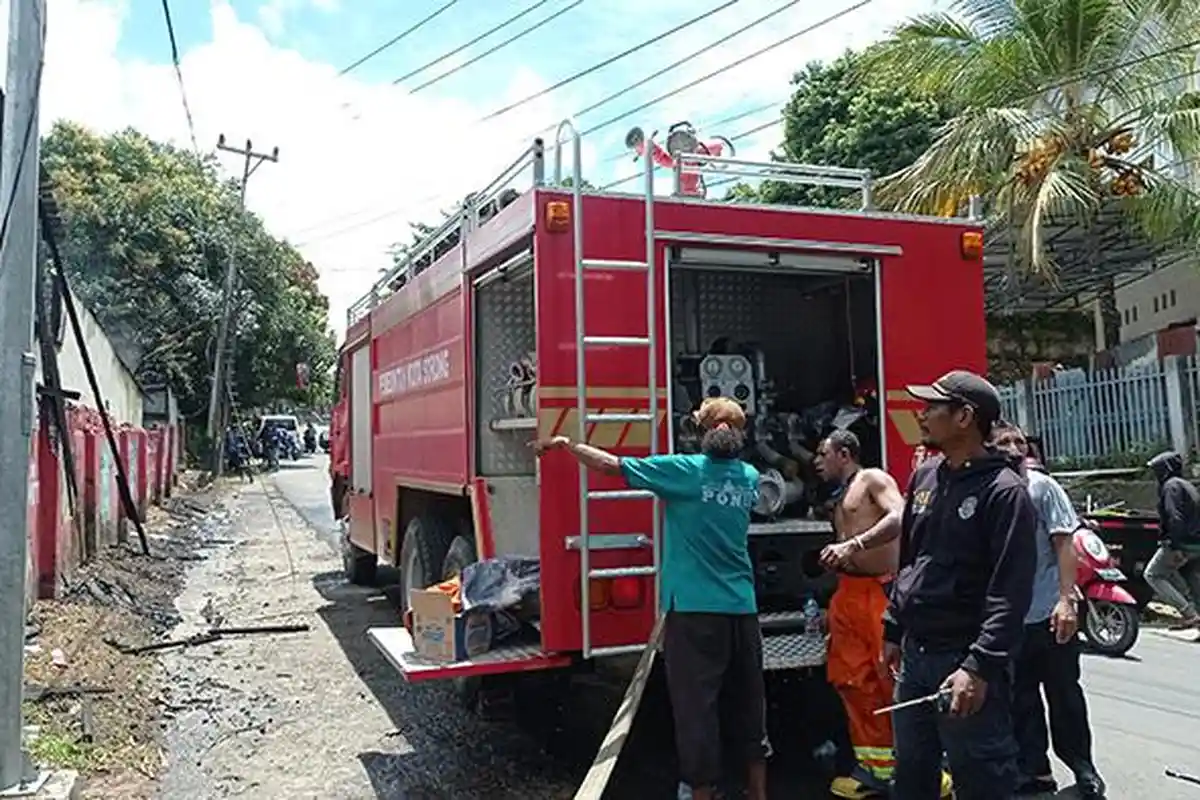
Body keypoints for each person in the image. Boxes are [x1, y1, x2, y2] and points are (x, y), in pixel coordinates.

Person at [532, 396, 768, 800]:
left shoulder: (686, 471)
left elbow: (611, 465)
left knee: (697, 709)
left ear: (701, 432)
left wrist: (567, 444)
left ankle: (701, 793)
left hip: (693, 612)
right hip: (742, 610)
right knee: (750, 704)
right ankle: (759, 792)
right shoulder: (748, 476)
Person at [881, 370, 1038, 800]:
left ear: (965, 416)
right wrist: (894, 626)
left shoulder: (1004, 492)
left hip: (965, 661)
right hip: (916, 658)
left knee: (981, 779)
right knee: (912, 775)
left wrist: (979, 666)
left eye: (933, 407)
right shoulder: (926, 477)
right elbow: (912, 556)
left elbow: (1010, 590)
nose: (922, 414)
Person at [815, 430, 952, 799]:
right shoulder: (839, 496)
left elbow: (901, 515)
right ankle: (876, 770)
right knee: (853, 681)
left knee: (893, 680)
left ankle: (928, 768)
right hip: (849, 593)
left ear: (844, 454)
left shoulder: (873, 479)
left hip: (880, 593)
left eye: (823, 453)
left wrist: (854, 544)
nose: (816, 461)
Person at [991, 421, 1106, 798]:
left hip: (1049, 615)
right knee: (1021, 700)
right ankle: (1036, 773)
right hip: (1010, 623)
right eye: (1003, 441)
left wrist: (1065, 599)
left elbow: (1064, 544)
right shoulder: (989, 492)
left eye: (1018, 441)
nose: (1012, 447)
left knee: (1065, 696)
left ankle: (1083, 767)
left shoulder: (1044, 488)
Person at [1143, 450, 1200, 629]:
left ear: (1165, 469)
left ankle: (1188, 614)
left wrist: (1175, 546)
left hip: (1182, 542)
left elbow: (1175, 517)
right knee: (1192, 581)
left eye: (1157, 470)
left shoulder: (1171, 486)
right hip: (1196, 543)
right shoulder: (1186, 485)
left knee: (1153, 574)